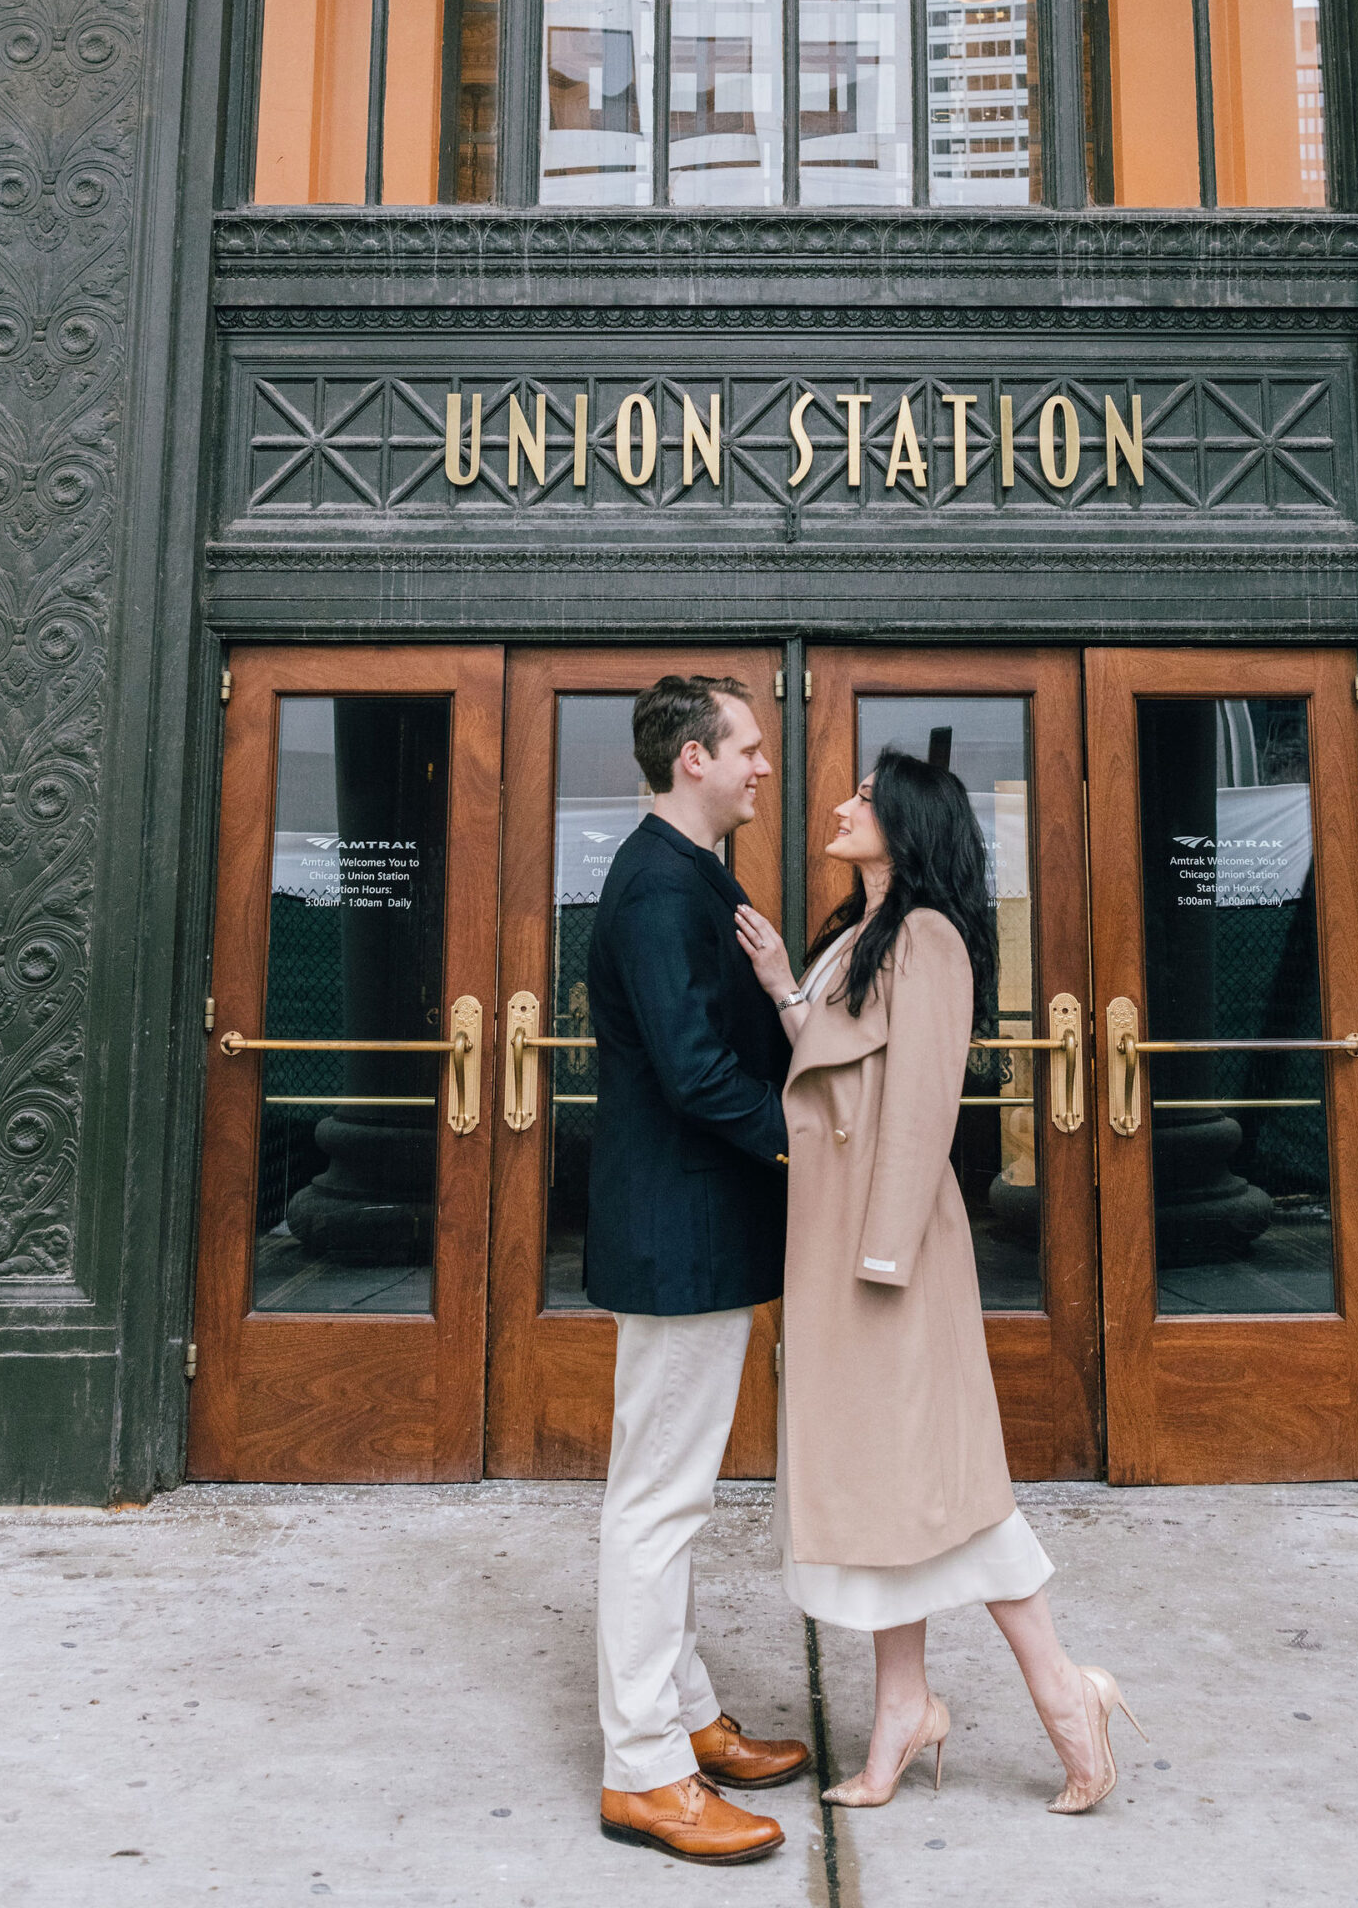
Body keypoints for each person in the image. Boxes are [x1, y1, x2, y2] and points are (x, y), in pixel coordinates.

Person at [735, 747, 1146, 1815]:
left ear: (908, 821)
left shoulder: (926, 935)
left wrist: (881, 1251)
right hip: (844, 1238)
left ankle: (1066, 1694)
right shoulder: (856, 937)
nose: (840, 807)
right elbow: (831, 1066)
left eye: (862, 799)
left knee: (947, 1487)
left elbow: (922, 1100)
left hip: (891, 1245)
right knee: (884, 1489)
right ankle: (903, 1713)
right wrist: (786, 980)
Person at [586, 674, 811, 1864]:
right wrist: (808, 1138)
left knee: (667, 1493)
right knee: (658, 1503)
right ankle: (644, 1770)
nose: (764, 767)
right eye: (750, 748)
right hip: (678, 1237)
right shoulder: (660, 887)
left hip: (693, 1233)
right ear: (692, 759)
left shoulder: (688, 874)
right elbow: (690, 1070)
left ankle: (681, 1715)